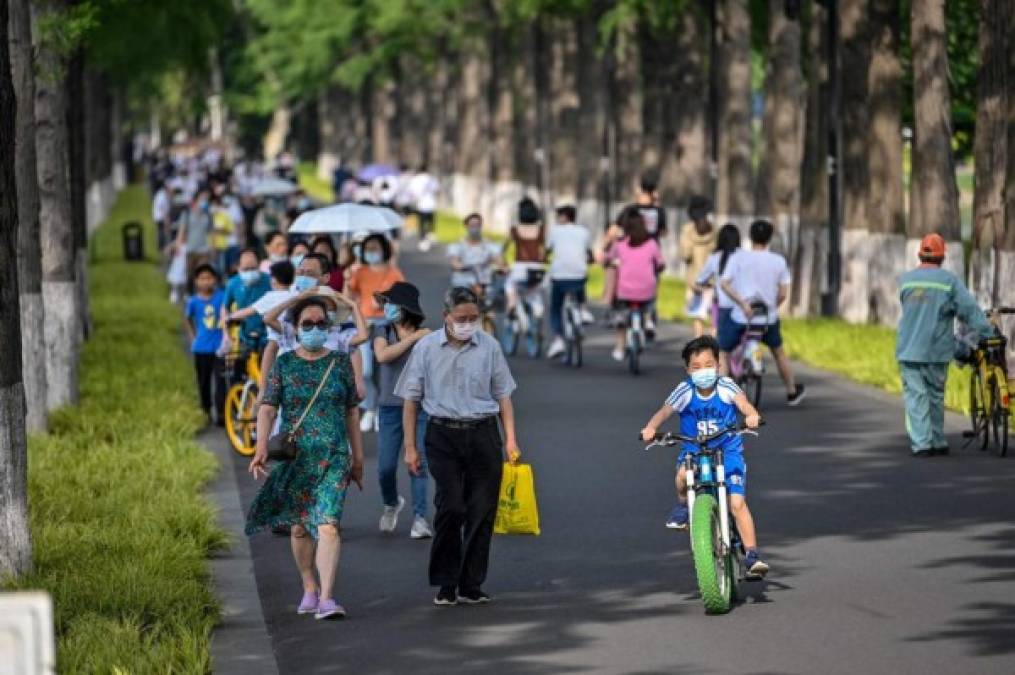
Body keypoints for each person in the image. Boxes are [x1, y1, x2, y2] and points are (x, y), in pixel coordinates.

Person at [395, 287, 522, 606]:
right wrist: (410, 448)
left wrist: (510, 439)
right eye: (461, 319)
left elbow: (504, 395)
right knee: (451, 506)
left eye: (473, 319)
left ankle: (471, 583)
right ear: (446, 317)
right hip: (443, 435)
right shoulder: (426, 348)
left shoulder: (489, 347)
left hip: (483, 433)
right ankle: (446, 581)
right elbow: (410, 400)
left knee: (482, 510)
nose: (467, 324)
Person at [246, 296, 365, 620]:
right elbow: (268, 407)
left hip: (334, 455)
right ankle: (309, 586)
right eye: (307, 324)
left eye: (320, 324)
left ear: (329, 327)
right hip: (296, 456)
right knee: (299, 528)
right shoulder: (284, 364)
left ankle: (327, 598)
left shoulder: (341, 362)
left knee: (328, 525)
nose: (314, 329)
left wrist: (358, 458)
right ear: (295, 329)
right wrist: (260, 448)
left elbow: (352, 412)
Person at [640, 336, 769, 577]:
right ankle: (682, 506)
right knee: (681, 476)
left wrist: (752, 416)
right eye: (696, 367)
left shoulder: (726, 386)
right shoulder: (685, 390)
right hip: (695, 451)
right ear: (687, 370)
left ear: (719, 365)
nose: (703, 371)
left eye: (709, 365)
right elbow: (665, 411)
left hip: (728, 450)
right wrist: (650, 428)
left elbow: (743, 404)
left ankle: (752, 554)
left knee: (737, 503)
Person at [896, 233, 991, 457]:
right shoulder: (949, 282)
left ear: (920, 254)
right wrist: (988, 331)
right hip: (937, 350)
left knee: (916, 396)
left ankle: (922, 443)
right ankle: (937, 440)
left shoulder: (906, 280)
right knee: (935, 395)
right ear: (942, 258)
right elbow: (969, 311)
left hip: (909, 349)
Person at [719, 219, 806, 405]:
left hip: (741, 317)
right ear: (770, 238)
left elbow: (724, 283)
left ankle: (723, 395)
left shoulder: (738, 258)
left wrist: (742, 302)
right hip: (767, 319)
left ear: (750, 237)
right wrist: (772, 306)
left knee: (723, 351)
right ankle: (791, 391)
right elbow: (783, 293)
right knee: (778, 352)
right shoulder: (778, 261)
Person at [373, 282, 434, 538]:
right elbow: (383, 356)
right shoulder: (382, 329)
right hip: (389, 407)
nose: (386, 307)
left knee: (418, 463)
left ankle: (421, 518)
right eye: (384, 302)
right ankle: (391, 503)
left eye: (391, 302)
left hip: (420, 407)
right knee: (385, 467)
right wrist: (412, 339)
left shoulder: (426, 336)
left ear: (405, 307)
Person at [346, 234, 405, 433]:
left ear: (383, 249)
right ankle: (370, 407)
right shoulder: (359, 272)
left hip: (386, 325)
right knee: (366, 371)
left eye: (375, 247)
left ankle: (381, 409)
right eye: (368, 248)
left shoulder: (393, 273)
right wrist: (347, 280)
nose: (372, 251)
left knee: (385, 370)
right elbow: (348, 299)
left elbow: (404, 301)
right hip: (364, 326)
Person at [605, 207, 665, 362]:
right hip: (646, 291)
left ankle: (619, 347)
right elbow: (661, 263)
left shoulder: (620, 245)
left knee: (620, 318)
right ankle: (649, 320)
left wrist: (609, 261)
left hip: (625, 291)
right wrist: (658, 267)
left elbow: (608, 258)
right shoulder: (652, 244)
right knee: (650, 298)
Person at [545, 205, 592, 359]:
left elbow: (547, 250)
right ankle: (583, 311)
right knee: (580, 280)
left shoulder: (555, 231)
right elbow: (588, 252)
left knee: (555, 307)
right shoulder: (584, 231)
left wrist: (544, 257)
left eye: (559, 216)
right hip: (579, 275)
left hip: (559, 276)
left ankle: (558, 339)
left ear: (564, 217)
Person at [184, 264, 226, 425]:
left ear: (214, 280)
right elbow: (188, 318)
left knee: (221, 382)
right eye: (202, 278)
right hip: (201, 348)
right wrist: (193, 337)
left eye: (209, 278)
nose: (206, 281)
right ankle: (206, 410)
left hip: (220, 348)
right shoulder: (193, 301)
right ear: (196, 281)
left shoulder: (222, 297)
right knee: (203, 381)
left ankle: (222, 413)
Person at [693, 223, 741, 336]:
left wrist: (708, 288)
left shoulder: (715, 257)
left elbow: (700, 280)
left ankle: (706, 346)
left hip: (721, 303)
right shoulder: (744, 256)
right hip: (741, 304)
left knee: (717, 330)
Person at [679, 196, 716, 337]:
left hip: (695, 281)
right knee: (711, 318)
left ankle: (702, 344)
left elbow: (685, 255)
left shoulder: (687, 231)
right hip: (709, 282)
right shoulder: (713, 230)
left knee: (700, 317)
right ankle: (711, 346)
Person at [221, 248, 271, 352]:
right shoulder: (233, 283)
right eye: (246, 269)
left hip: (268, 336)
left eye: (253, 268)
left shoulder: (270, 281)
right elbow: (225, 307)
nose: (250, 272)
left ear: (259, 265)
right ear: (238, 268)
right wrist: (226, 334)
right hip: (244, 337)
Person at [504, 197, 547, 320]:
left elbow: (504, 249)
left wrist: (505, 264)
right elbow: (544, 250)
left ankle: (512, 304)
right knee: (534, 289)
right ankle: (536, 308)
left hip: (520, 267)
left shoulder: (515, 230)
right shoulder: (541, 230)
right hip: (537, 268)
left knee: (509, 284)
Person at [448, 213, 504, 292]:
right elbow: (454, 262)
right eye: (472, 225)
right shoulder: (458, 245)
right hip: (465, 280)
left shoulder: (488, 245)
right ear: (466, 226)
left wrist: (501, 266)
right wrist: (464, 266)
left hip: (484, 280)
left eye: (478, 225)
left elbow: (498, 259)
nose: (475, 228)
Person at [409, 165, 439, 251]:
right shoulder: (431, 179)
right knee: (431, 222)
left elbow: (412, 192)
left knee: (422, 224)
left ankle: (422, 241)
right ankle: (430, 237)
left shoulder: (416, 179)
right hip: (431, 204)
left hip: (421, 205)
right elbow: (437, 189)